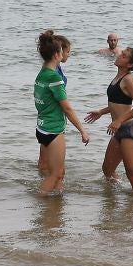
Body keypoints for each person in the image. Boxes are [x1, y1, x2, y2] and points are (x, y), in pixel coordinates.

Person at [84, 46, 133, 191]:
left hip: (129, 130)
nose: (119, 55)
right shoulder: (118, 77)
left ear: (130, 65)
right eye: (122, 53)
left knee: (132, 173)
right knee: (107, 170)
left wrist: (119, 121)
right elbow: (120, 104)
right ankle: (112, 200)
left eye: (124, 56)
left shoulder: (129, 80)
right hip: (119, 130)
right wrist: (101, 111)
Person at [35, 30, 90, 192]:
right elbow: (67, 108)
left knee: (57, 171)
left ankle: (56, 203)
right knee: (57, 173)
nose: (67, 54)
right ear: (57, 54)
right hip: (53, 128)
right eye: (65, 51)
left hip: (42, 127)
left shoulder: (43, 73)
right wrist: (82, 130)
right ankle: (39, 202)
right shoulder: (54, 78)